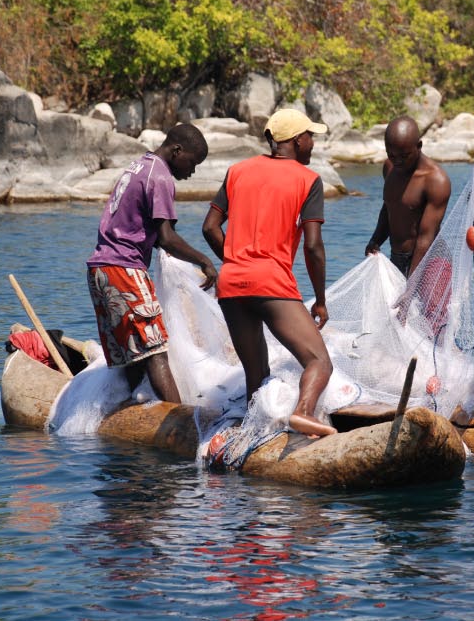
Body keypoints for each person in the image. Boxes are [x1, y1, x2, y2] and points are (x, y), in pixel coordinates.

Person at [201, 108, 336, 438]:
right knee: (319, 362)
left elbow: (210, 227)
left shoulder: (237, 171)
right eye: (310, 137)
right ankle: (303, 413)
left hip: (232, 283)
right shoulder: (308, 180)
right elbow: (314, 246)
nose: (313, 144)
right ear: (295, 140)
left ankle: (251, 436)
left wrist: (235, 260)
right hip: (271, 282)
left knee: (256, 373)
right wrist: (319, 299)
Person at [86, 123, 218, 405]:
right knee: (156, 352)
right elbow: (167, 238)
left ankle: (132, 416)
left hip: (101, 269)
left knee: (133, 357)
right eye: (192, 163)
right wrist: (205, 261)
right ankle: (179, 419)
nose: (191, 172)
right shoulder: (161, 177)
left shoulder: (139, 167)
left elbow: (151, 234)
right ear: (177, 150)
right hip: (124, 269)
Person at [364, 115, 451, 277]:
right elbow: (390, 206)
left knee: (417, 302)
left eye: (404, 156)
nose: (398, 161)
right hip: (397, 259)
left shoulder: (436, 180)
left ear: (419, 146)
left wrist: (411, 283)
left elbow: (426, 237)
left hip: (431, 262)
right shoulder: (389, 168)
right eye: (392, 155)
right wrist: (376, 240)